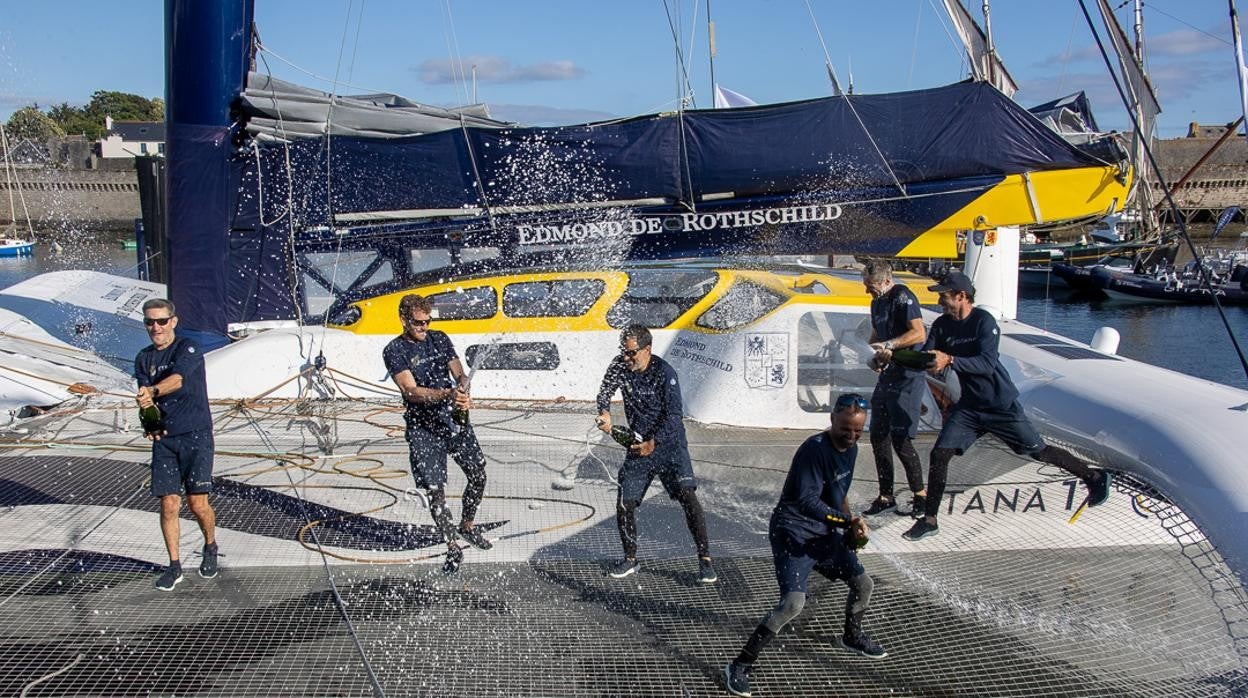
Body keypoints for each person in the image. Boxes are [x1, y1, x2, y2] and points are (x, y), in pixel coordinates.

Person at [897, 271, 1112, 541]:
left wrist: (949, 359)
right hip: (969, 408)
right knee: (940, 455)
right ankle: (930, 520)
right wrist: (892, 356)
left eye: (944, 296)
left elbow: (986, 364)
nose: (940, 301)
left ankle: (1093, 477)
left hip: (1000, 406)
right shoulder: (942, 324)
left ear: (961, 297)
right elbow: (927, 356)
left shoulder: (983, 323)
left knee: (1039, 451)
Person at [724, 394, 884, 697]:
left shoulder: (851, 449)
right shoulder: (813, 450)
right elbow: (807, 501)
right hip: (793, 532)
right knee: (793, 604)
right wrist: (844, 522)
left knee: (864, 584)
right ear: (832, 420)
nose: (851, 437)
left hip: (826, 531)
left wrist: (851, 525)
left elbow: (839, 492)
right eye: (845, 429)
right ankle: (739, 665)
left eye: (858, 431)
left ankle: (851, 637)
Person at [595, 325, 716, 584]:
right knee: (624, 502)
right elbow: (604, 391)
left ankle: (705, 559)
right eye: (624, 352)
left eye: (631, 353)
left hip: (669, 446)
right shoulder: (619, 366)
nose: (626, 358)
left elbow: (675, 417)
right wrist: (604, 411)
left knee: (688, 498)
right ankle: (630, 559)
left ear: (647, 349)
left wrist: (655, 441)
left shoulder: (664, 373)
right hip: (639, 446)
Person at [383, 294, 492, 574]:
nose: (423, 327)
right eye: (418, 323)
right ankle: (452, 546)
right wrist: (448, 394)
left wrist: (465, 388)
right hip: (423, 428)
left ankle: (467, 525)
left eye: (427, 321)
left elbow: (459, 373)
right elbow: (411, 390)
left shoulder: (440, 338)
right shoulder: (394, 350)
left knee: (478, 473)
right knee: (435, 490)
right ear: (404, 319)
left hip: (453, 420)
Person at [134, 298, 219, 591]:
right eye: (149, 322)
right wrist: (149, 421)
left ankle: (210, 545)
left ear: (173, 321)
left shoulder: (188, 348)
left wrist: (153, 390)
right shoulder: (143, 358)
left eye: (161, 321)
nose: (155, 327)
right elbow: (147, 401)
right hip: (166, 440)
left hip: (196, 434)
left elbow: (179, 380)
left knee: (197, 504)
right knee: (169, 505)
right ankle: (174, 566)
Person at [860, 260, 929, 518]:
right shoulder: (876, 302)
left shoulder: (902, 296)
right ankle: (886, 496)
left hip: (908, 376)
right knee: (878, 435)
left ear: (887, 281)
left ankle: (921, 497)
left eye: (872, 286)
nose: (868, 291)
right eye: (866, 286)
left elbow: (918, 334)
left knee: (901, 440)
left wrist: (890, 345)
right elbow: (876, 335)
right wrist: (873, 354)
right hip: (888, 374)